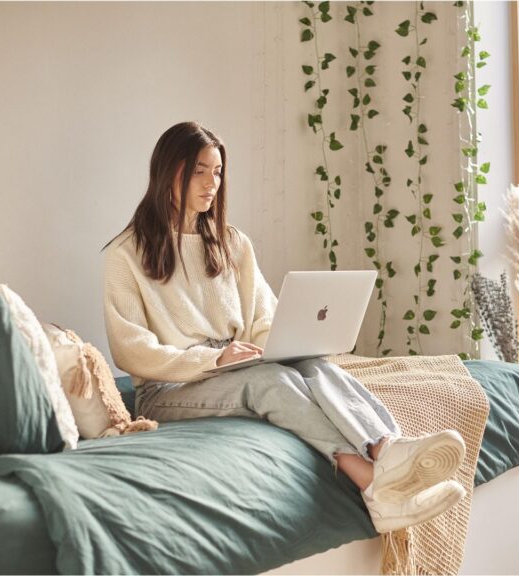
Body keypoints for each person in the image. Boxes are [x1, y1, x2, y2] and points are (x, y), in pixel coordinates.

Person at [102, 121, 465, 533]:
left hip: (233, 365)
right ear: (169, 172)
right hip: (167, 389)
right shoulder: (125, 253)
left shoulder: (232, 243)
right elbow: (130, 351)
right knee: (269, 381)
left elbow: (263, 318)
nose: (211, 183)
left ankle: (386, 448)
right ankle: (371, 483)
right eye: (200, 170)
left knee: (311, 365)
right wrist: (215, 357)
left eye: (217, 171)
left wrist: (279, 344)